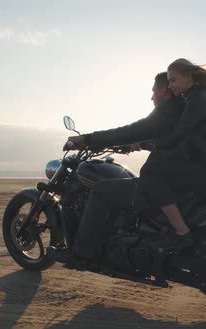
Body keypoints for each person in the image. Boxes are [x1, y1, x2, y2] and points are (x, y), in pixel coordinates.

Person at [50, 72, 184, 265]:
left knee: (101, 189)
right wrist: (140, 143)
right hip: (177, 178)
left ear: (164, 91)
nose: (151, 96)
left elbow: (130, 130)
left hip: (163, 182)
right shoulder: (180, 110)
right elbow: (164, 140)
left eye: (154, 91)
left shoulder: (166, 111)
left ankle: (82, 253)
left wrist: (87, 139)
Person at [134, 58, 206, 250]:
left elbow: (177, 136)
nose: (170, 85)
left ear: (189, 76)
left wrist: (141, 141)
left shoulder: (197, 100)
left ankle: (181, 232)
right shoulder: (197, 98)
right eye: (168, 81)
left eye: (173, 80)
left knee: (151, 171)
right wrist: (144, 144)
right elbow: (183, 142)